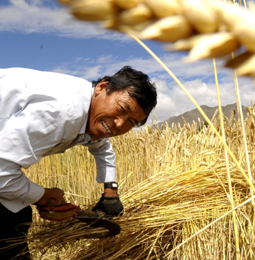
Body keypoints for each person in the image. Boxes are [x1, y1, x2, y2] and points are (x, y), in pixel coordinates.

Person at [0, 66, 157, 259]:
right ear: (102, 87)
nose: (119, 124)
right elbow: (1, 172)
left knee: (15, 216)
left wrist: (111, 192)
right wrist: (43, 196)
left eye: (131, 123)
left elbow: (102, 147)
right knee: (11, 223)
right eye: (122, 109)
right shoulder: (61, 112)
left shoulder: (93, 113)